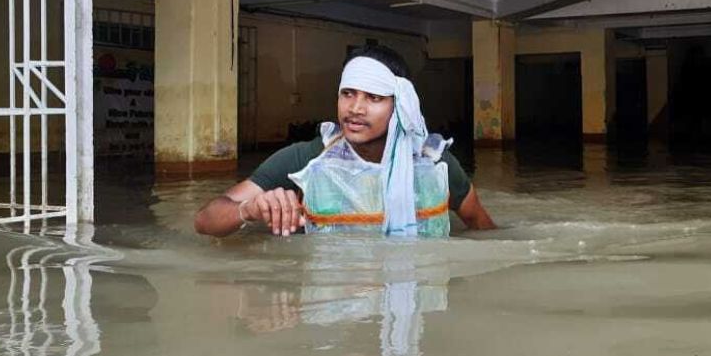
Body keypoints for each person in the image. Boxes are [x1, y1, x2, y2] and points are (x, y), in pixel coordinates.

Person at [195, 44, 496, 237]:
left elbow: (482, 228)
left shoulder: (435, 165)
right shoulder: (305, 160)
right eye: (348, 93)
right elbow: (205, 220)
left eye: (374, 97)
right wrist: (248, 210)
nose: (355, 108)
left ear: (401, 106)